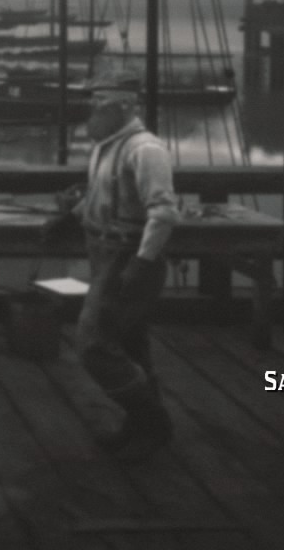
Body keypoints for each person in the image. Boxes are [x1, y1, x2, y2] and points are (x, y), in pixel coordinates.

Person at [59, 82, 179, 460]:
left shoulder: (146, 150)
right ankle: (139, 426)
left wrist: (142, 262)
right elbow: (101, 196)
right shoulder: (106, 147)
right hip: (103, 249)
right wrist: (72, 217)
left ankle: (154, 423)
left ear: (124, 107)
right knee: (129, 343)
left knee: (93, 344)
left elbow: (164, 212)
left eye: (99, 106)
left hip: (128, 255)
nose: (91, 113)